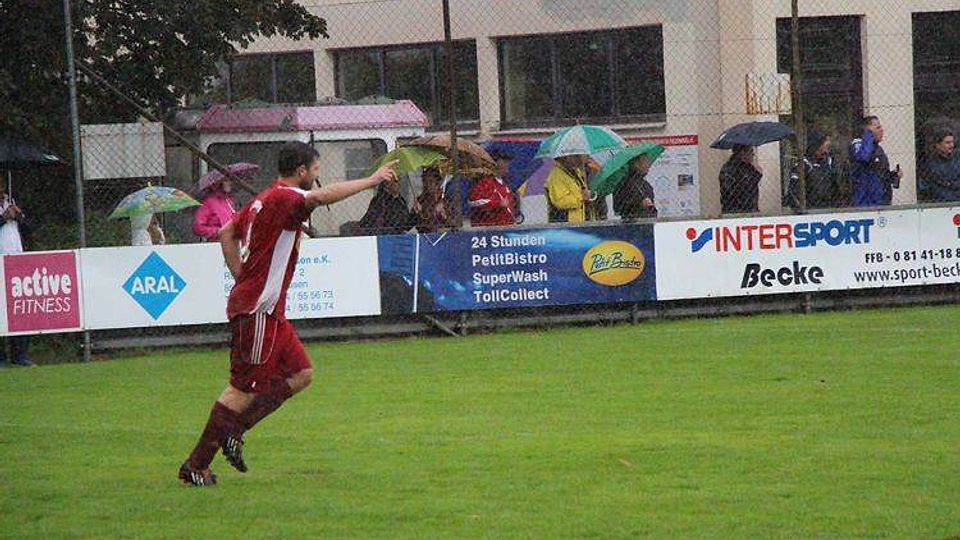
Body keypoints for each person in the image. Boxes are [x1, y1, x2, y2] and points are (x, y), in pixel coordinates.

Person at [178, 141, 397, 486]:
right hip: (257, 310)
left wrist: (241, 277)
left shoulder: (262, 200)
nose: (317, 177)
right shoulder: (285, 198)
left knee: (301, 373)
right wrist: (372, 180)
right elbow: (320, 199)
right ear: (301, 171)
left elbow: (226, 233)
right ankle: (196, 465)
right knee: (241, 389)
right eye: (315, 170)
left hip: (268, 310)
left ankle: (234, 430)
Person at [0, 183, 33, 367]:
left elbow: (30, 229)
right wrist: (3, 218)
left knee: (20, 308)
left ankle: (20, 355)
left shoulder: (12, 202)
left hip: (17, 262)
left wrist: (19, 216)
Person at [849, 115, 902, 206]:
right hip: (865, 203)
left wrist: (893, 175)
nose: (881, 130)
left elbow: (881, 175)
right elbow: (863, 157)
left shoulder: (879, 149)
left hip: (882, 202)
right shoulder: (858, 144)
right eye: (877, 127)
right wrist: (869, 133)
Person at [785, 129, 843, 210]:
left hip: (828, 208)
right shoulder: (803, 164)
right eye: (826, 140)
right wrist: (800, 209)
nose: (828, 143)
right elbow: (792, 191)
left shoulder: (829, 162)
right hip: (811, 209)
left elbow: (836, 189)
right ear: (818, 143)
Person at [468, 149, 515, 227]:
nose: (507, 164)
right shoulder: (485, 182)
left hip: (505, 227)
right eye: (504, 161)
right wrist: (497, 203)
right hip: (489, 228)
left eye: (507, 161)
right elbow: (473, 201)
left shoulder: (505, 184)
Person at [545, 154, 595, 223]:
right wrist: (581, 197)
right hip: (566, 222)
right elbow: (560, 200)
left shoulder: (574, 172)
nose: (580, 159)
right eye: (575, 156)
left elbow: (580, 190)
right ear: (565, 157)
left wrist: (587, 193)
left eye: (579, 156)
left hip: (579, 220)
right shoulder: (556, 175)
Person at [918, 128, 960, 202]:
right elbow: (925, 186)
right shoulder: (929, 164)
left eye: (952, 142)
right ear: (938, 145)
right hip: (939, 204)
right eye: (947, 142)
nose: (951, 145)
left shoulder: (957, 161)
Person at [719, 144, 762, 214]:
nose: (753, 155)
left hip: (749, 209)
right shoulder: (729, 169)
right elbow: (735, 191)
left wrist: (757, 173)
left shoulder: (748, 167)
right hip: (735, 210)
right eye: (751, 151)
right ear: (742, 152)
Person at [613, 154, 657, 220]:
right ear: (636, 164)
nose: (648, 165)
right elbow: (618, 207)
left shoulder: (645, 184)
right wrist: (639, 203)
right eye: (645, 161)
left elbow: (651, 206)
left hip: (648, 222)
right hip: (631, 224)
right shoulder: (624, 183)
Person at [193, 177, 237, 241]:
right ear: (218, 183)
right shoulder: (209, 202)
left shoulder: (229, 202)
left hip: (231, 243)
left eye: (230, 180)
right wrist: (217, 231)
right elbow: (197, 226)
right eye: (225, 180)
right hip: (215, 245)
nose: (229, 183)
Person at [415, 167, 455, 233]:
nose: (428, 185)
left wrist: (444, 215)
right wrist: (417, 212)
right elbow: (418, 225)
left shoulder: (446, 199)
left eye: (431, 182)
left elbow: (455, 222)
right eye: (425, 182)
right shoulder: (421, 200)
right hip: (427, 235)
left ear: (438, 183)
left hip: (444, 234)